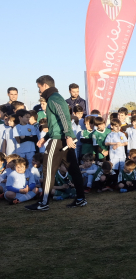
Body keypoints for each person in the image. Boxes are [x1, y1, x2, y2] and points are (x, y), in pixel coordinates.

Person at [26, 75, 86, 211]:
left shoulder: (54, 98)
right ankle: (81, 199)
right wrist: (46, 137)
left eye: (39, 87)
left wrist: (69, 136)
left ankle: (43, 203)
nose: (39, 91)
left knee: (48, 171)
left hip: (59, 140)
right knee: (74, 170)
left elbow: (64, 117)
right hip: (61, 138)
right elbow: (56, 123)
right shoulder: (55, 98)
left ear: (45, 86)